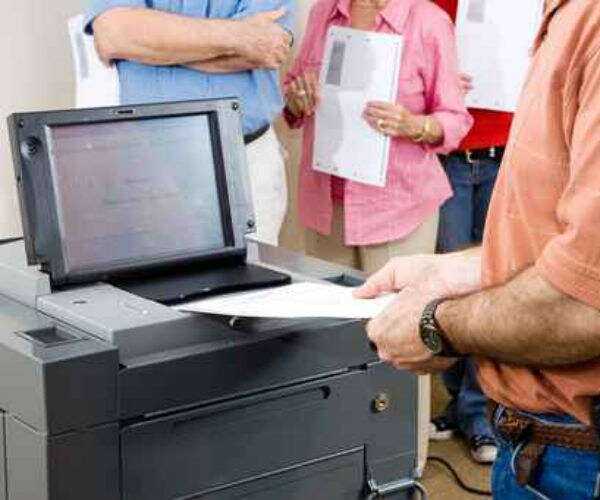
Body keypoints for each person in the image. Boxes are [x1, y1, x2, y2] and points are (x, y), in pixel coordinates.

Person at [355, 0, 600, 497]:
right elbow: (573, 248)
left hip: (575, 456)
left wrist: (437, 327)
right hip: (541, 445)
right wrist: (471, 271)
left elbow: (585, 303)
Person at [282, 0, 473, 275]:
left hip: (397, 209)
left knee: (389, 314)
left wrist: (412, 124)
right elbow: (293, 91)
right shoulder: (322, 12)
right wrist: (298, 98)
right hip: (326, 206)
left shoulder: (429, 21)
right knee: (326, 314)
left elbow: (455, 118)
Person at [84, 0, 296, 246]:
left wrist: (150, 46)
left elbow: (266, 47)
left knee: (255, 278)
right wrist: (239, 36)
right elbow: (115, 35)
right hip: (149, 164)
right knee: (156, 280)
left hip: (244, 161)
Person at [426, 0, 514, 465]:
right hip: (450, 160)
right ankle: (459, 405)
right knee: (449, 288)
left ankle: (479, 413)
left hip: (509, 156)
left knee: (495, 283)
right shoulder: (431, 7)